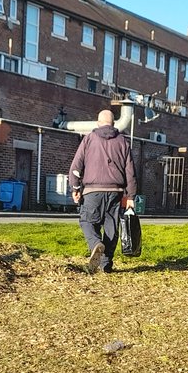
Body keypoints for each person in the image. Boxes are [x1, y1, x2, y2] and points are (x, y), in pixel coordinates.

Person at [69, 108, 138, 273]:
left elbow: (76, 166)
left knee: (87, 221)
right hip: (115, 192)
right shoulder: (123, 142)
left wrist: (75, 187)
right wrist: (130, 196)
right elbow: (130, 172)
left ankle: (95, 244)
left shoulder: (89, 139)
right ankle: (106, 265)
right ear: (113, 124)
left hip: (92, 191)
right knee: (111, 229)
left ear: (98, 123)